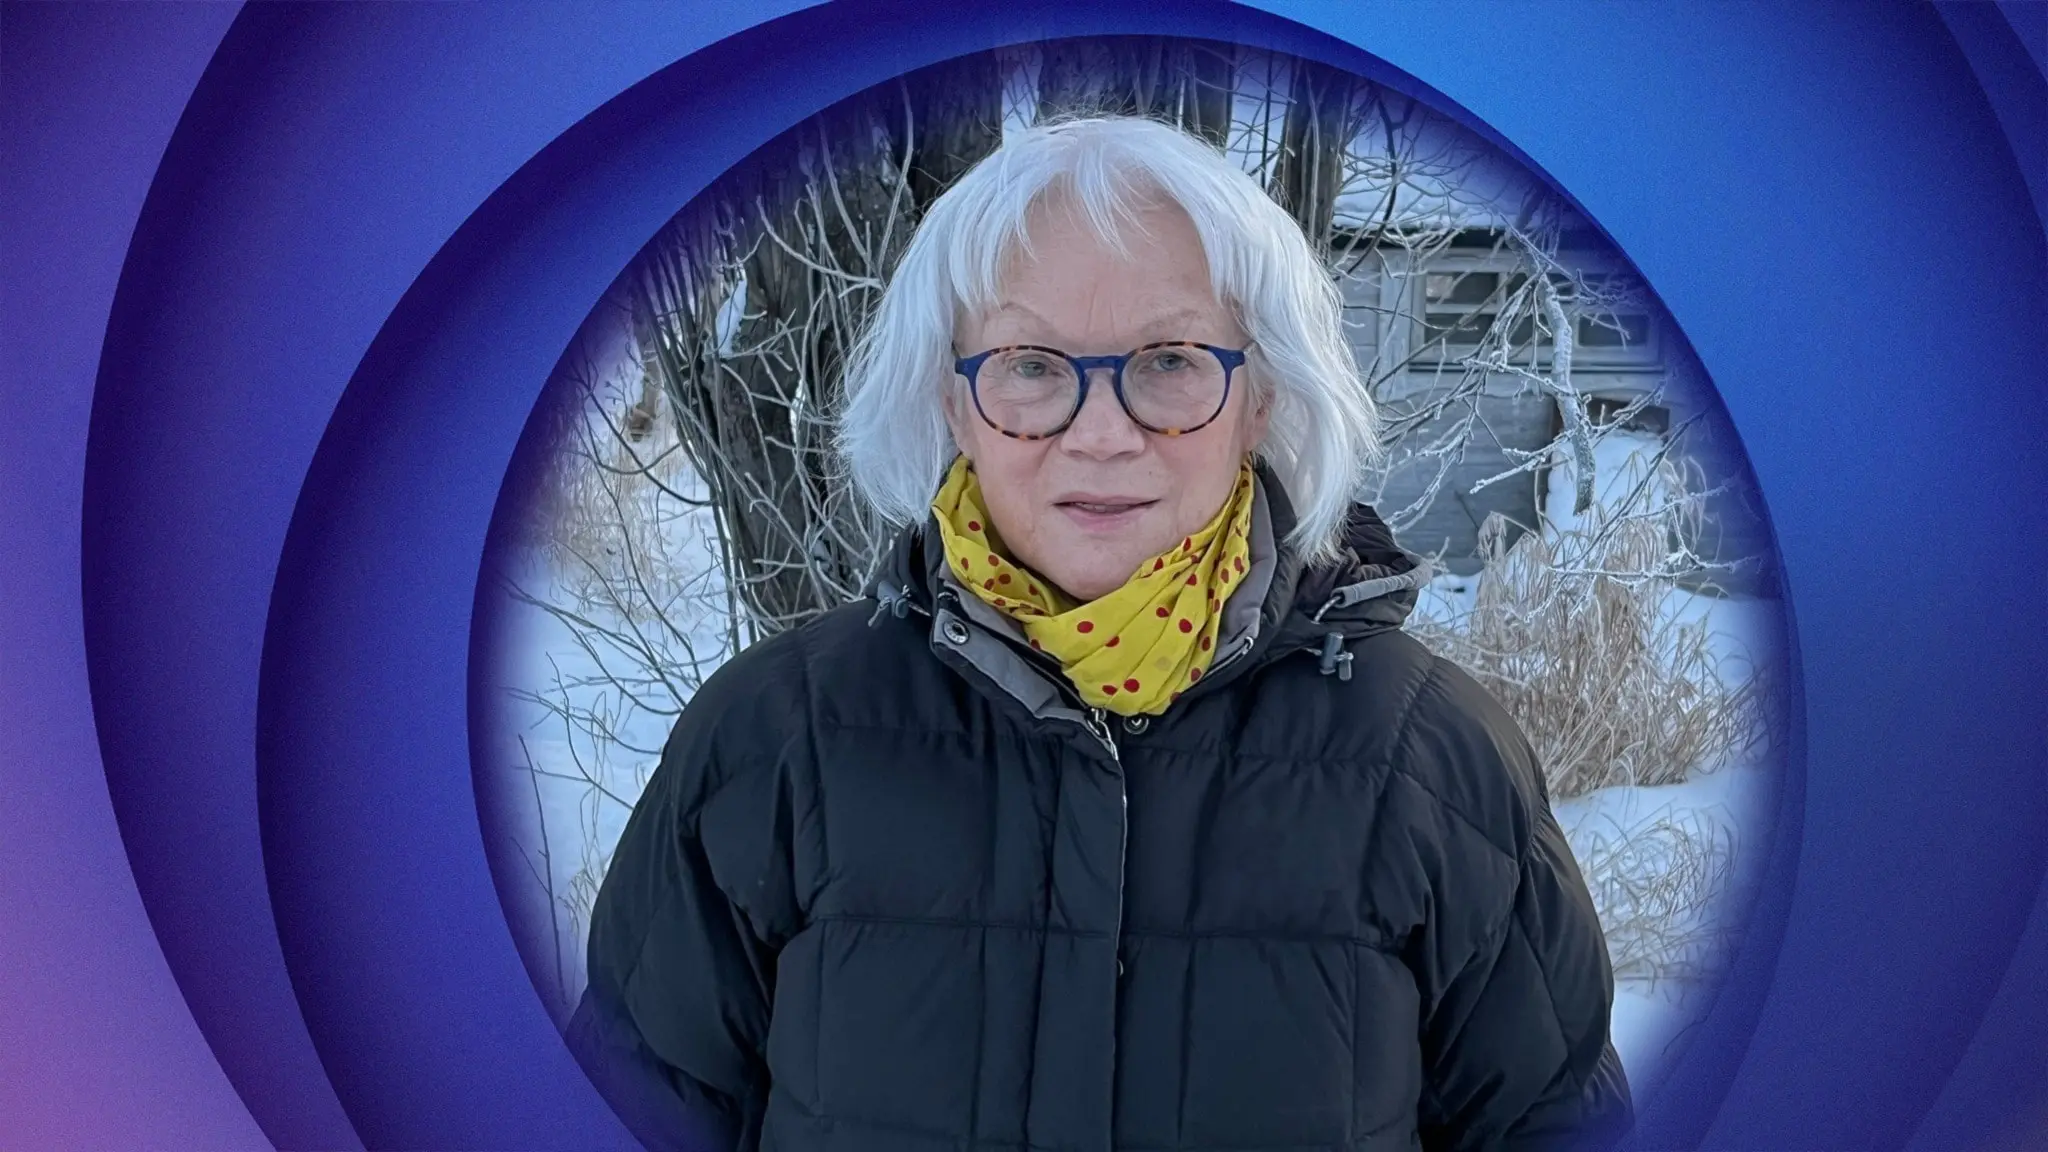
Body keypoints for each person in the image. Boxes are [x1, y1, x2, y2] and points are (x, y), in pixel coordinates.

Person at [566, 114, 1634, 1152]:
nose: (1103, 432)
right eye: (1030, 365)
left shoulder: (1427, 760)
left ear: (1258, 397)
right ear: (952, 399)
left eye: (1169, 361)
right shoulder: (770, 743)